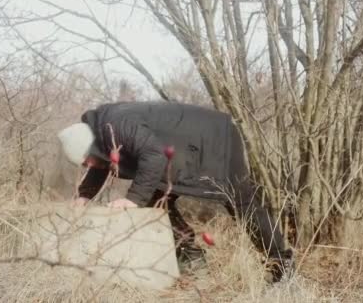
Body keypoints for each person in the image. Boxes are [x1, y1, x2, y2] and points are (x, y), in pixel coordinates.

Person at [56, 101, 294, 282]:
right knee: (155, 202)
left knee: (241, 202)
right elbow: (101, 161)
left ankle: (281, 266)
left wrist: (132, 200)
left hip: (214, 140)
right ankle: (191, 255)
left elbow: (153, 155)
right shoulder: (102, 132)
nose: (88, 166)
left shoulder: (119, 125)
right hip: (182, 148)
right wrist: (84, 196)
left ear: (91, 148)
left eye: (86, 161)